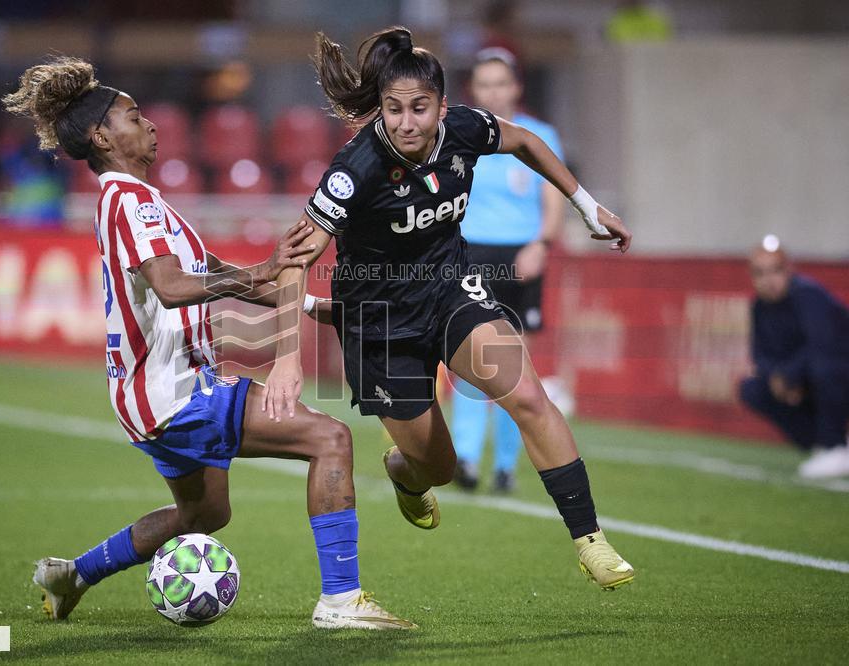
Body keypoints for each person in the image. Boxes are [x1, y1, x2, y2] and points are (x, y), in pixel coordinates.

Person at [2, 57, 414, 630]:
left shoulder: (144, 202)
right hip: (174, 393)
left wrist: (324, 310)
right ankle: (340, 602)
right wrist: (264, 269)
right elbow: (173, 289)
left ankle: (72, 574)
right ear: (102, 136)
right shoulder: (128, 201)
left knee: (204, 512)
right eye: (133, 116)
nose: (150, 125)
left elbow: (219, 273)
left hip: (158, 394)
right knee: (330, 439)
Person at [264, 27, 636, 591]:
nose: (405, 123)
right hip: (381, 326)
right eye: (392, 110)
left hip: (451, 292)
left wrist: (586, 206)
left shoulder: (465, 128)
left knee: (529, 397)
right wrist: (286, 361)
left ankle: (591, 541)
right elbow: (294, 259)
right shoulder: (355, 170)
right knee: (437, 466)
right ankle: (405, 475)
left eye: (418, 109)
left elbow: (528, 143)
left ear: (442, 106)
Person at [449, 46, 565, 494]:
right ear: (473, 90)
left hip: (523, 256)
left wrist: (542, 243)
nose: (494, 92)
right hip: (470, 254)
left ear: (515, 87)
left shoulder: (540, 136)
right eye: (485, 84)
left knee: (518, 369)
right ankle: (466, 459)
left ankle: (505, 466)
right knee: (472, 362)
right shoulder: (459, 134)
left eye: (501, 83)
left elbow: (554, 200)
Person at [739, 238, 849, 479]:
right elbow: (760, 355)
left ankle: (835, 446)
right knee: (752, 388)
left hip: (835, 372)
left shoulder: (808, 296)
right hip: (803, 380)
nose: (769, 280)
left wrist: (789, 375)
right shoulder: (759, 307)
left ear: (789, 269)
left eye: (775, 271)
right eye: (760, 273)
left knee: (824, 367)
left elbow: (825, 345)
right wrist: (777, 378)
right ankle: (822, 444)